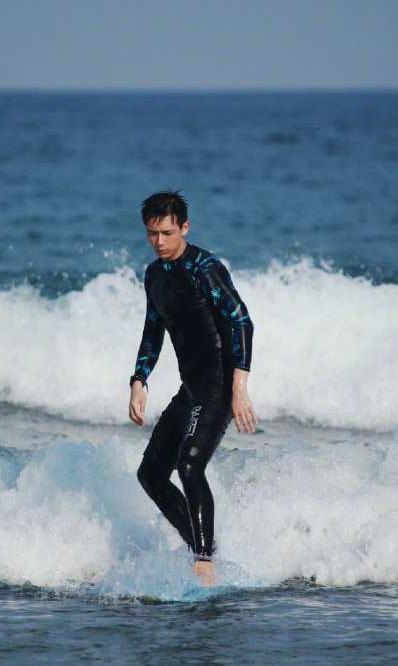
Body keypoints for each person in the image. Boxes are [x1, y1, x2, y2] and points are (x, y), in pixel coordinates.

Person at [128, 190, 257, 587]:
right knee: (150, 475)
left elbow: (242, 321)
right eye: (152, 234)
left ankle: (204, 562)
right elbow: (153, 330)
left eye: (167, 232)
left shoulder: (205, 267)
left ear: (184, 227)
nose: (160, 242)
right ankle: (201, 549)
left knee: (189, 465)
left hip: (218, 386)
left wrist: (239, 388)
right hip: (190, 390)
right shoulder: (154, 276)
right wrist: (138, 380)